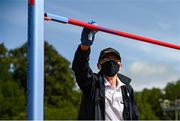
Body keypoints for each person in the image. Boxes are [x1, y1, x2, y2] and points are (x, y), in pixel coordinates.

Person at [72, 21, 139, 120]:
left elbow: (134, 116)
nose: (111, 62)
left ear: (120, 65)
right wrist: (84, 47)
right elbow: (80, 67)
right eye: (106, 59)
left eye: (115, 59)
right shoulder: (92, 84)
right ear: (99, 65)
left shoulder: (127, 89)